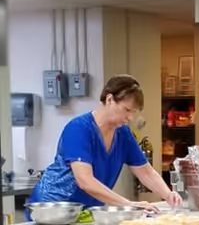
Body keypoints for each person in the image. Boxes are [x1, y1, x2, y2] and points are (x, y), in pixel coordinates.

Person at [28, 74, 182, 212]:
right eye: (127, 110)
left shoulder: (123, 134)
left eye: (133, 113)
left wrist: (168, 195)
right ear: (109, 100)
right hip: (53, 210)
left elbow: (145, 172)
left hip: (85, 212)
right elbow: (85, 180)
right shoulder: (79, 129)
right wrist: (126, 204)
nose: (130, 118)